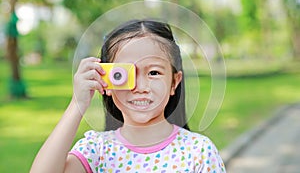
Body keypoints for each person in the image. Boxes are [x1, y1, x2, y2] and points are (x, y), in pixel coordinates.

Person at [30, 19, 226, 173]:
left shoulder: (198, 152)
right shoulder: (97, 150)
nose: (141, 87)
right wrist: (77, 104)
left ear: (174, 82)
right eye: (125, 74)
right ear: (107, 79)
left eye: (154, 73)